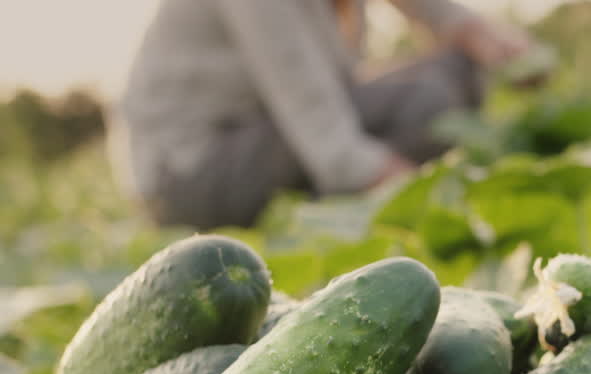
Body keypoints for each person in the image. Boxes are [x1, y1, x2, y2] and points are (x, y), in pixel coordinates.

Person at [110, 0, 537, 230]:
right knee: (426, 102)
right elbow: (332, 147)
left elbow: (438, 13)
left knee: (456, 70)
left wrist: (494, 43)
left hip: (269, 129)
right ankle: (346, 218)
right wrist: (450, 207)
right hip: (189, 174)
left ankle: (348, 211)